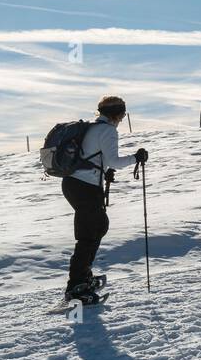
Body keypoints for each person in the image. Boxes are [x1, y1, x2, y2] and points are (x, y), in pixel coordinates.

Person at [62, 95, 147, 304]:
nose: (123, 117)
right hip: (85, 187)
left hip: (74, 184)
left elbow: (97, 157)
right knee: (89, 234)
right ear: (117, 114)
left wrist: (104, 171)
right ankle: (76, 287)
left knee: (96, 228)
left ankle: (83, 278)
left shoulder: (91, 128)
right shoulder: (108, 131)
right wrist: (136, 158)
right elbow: (114, 161)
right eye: (123, 113)